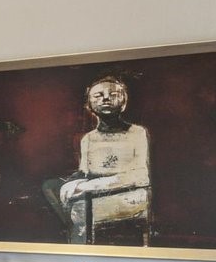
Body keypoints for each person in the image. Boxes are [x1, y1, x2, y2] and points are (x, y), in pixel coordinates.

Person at [42, 75, 152, 245]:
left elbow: (140, 176)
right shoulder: (89, 138)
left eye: (113, 94)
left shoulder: (137, 133)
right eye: (98, 95)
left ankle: (80, 247)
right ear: (89, 104)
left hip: (130, 194)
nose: (106, 98)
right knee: (50, 186)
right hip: (94, 192)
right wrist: (71, 183)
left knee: (78, 209)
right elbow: (85, 172)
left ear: (124, 101)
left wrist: (88, 186)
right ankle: (74, 233)